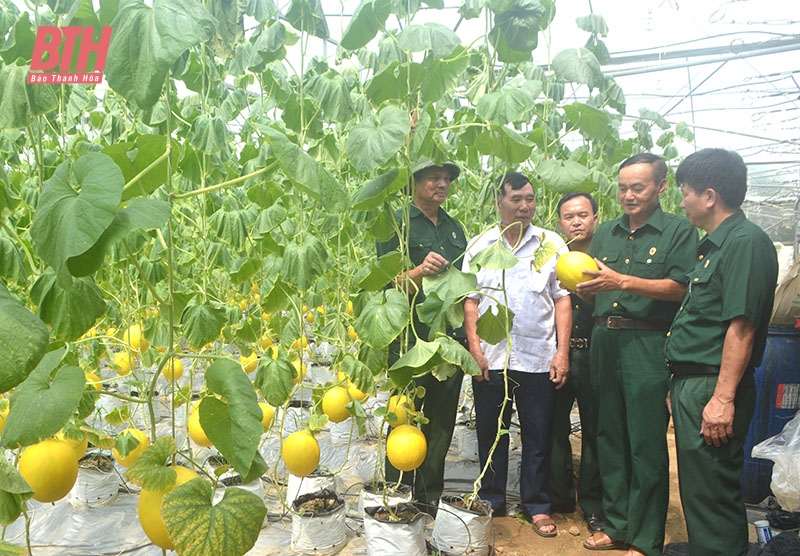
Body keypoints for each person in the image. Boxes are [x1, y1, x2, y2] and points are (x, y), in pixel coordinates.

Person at [576, 153, 697, 556]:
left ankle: (645, 538)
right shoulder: (606, 232)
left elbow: (681, 288)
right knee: (608, 436)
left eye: (638, 187)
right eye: (623, 187)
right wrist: (586, 289)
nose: (628, 195)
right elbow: (596, 283)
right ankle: (617, 525)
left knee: (645, 442)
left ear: (662, 187)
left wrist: (622, 281)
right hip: (604, 339)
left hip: (646, 343)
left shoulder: (678, 231)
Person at [665, 148, 778, 556]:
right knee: (701, 487)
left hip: (715, 383)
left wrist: (723, 397)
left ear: (709, 196)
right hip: (698, 382)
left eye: (686, 192)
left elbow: (743, 327)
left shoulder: (745, 243)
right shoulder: (716, 245)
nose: (682, 202)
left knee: (713, 490)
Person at [463, 172, 571, 537]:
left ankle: (537, 505)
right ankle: (493, 499)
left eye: (530, 199)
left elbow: (562, 299)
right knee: (492, 433)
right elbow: (471, 301)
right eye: (516, 199)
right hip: (492, 358)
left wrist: (562, 353)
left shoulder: (550, 242)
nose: (525, 206)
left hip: (538, 356)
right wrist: (474, 349)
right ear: (499, 202)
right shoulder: (481, 245)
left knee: (537, 434)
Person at [376, 158, 468, 509]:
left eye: (446, 179)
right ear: (414, 183)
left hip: (447, 339)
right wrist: (417, 272)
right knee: (403, 414)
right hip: (409, 338)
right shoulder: (396, 224)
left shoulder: (454, 228)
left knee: (442, 421)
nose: (442, 184)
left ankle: (429, 497)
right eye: (434, 178)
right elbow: (387, 285)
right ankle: (397, 492)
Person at [547, 192, 605, 534]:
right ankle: (559, 497)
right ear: (559, 223)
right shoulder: (550, 256)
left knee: (596, 429)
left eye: (583, 215)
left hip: (596, 353)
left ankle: (594, 503)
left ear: (596, 218)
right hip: (558, 354)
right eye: (569, 216)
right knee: (553, 426)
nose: (577, 221)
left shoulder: (607, 256)